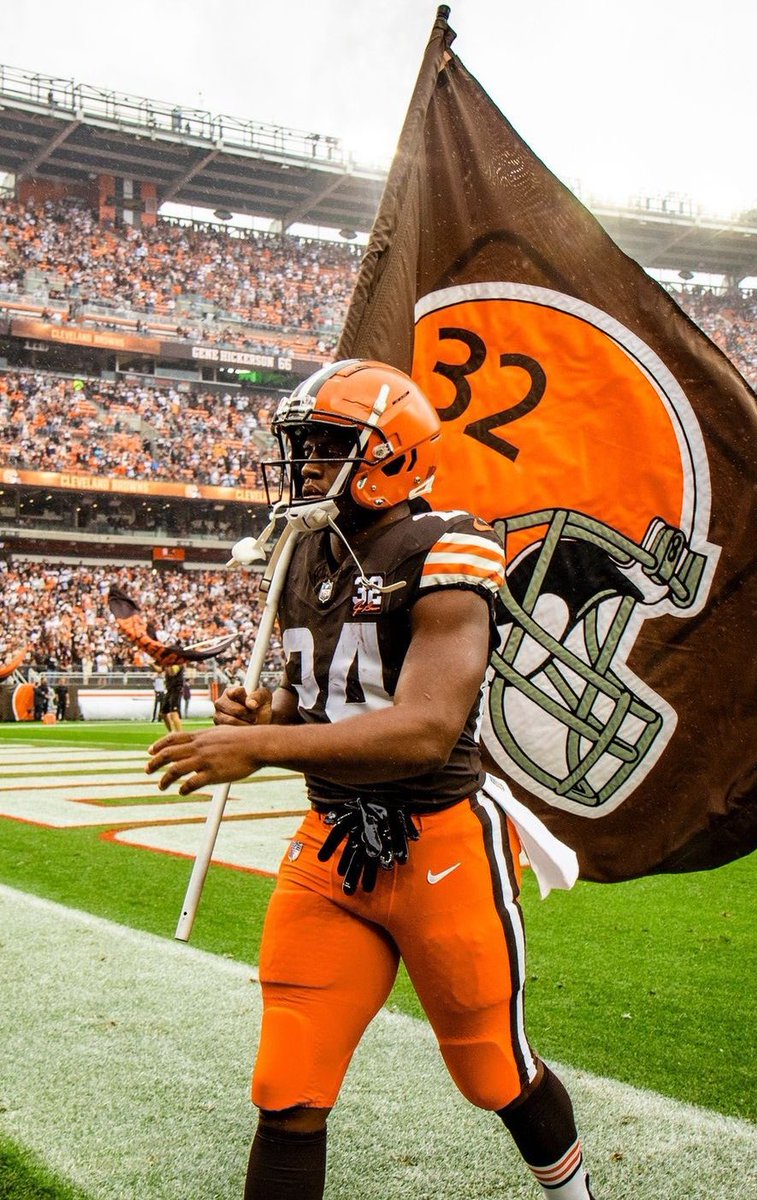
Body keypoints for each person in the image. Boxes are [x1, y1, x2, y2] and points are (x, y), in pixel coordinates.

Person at [146, 361, 595, 1200]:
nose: (306, 463)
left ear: (395, 455)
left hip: (439, 848)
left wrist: (262, 748)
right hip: (331, 849)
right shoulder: (302, 552)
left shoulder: (445, 545)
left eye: (328, 445)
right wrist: (263, 716)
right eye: (302, 445)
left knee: (492, 1071)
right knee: (287, 1085)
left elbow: (425, 731)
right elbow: (308, 705)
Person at [160, 664, 184, 733]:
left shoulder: (178, 663)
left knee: (174, 713)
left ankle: (180, 734)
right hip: (169, 690)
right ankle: (171, 732)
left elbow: (172, 672)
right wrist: (151, 663)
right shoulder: (166, 662)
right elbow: (159, 670)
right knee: (163, 714)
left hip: (176, 690)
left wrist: (168, 666)